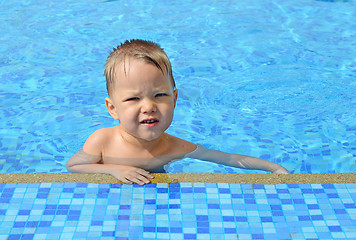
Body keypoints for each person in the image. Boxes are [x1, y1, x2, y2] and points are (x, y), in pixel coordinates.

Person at [66, 39, 290, 185]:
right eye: (134, 98)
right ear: (112, 108)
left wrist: (274, 167)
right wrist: (115, 169)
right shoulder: (102, 141)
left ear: (174, 99)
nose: (148, 107)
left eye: (159, 95)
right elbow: (73, 166)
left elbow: (227, 158)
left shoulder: (175, 147)